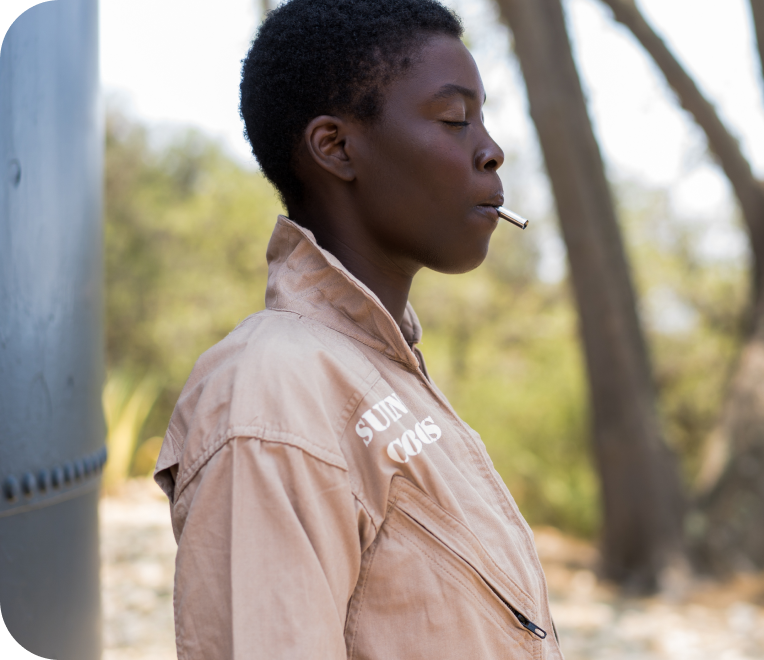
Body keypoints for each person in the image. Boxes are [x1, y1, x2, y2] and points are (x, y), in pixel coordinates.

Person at [153, 1, 563, 657]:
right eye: (456, 120)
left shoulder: (372, 365)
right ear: (337, 148)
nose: (491, 151)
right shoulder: (271, 394)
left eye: (483, 120)